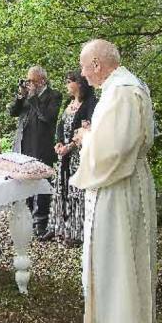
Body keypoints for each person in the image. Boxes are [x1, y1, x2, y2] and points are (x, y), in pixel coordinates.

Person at [69, 39, 157, 323]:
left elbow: (115, 150)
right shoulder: (126, 85)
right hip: (123, 182)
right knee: (120, 260)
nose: (81, 73)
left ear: (96, 64)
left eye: (83, 65)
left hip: (118, 188)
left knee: (118, 260)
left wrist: (86, 139)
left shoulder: (121, 89)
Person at [44, 70, 97, 245]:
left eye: (69, 81)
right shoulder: (69, 102)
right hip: (64, 155)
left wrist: (71, 146)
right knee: (61, 189)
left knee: (76, 191)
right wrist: (59, 143)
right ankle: (58, 227)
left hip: (78, 156)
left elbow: (88, 129)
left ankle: (75, 232)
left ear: (79, 84)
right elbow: (60, 125)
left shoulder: (90, 104)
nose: (67, 85)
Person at [8, 65, 62, 238]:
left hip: (41, 147)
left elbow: (47, 117)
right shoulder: (27, 96)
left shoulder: (53, 96)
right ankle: (29, 219)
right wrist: (20, 96)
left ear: (43, 80)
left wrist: (32, 98)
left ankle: (42, 223)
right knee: (25, 184)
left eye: (31, 80)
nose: (28, 83)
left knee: (42, 184)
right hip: (23, 146)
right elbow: (12, 112)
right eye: (27, 80)